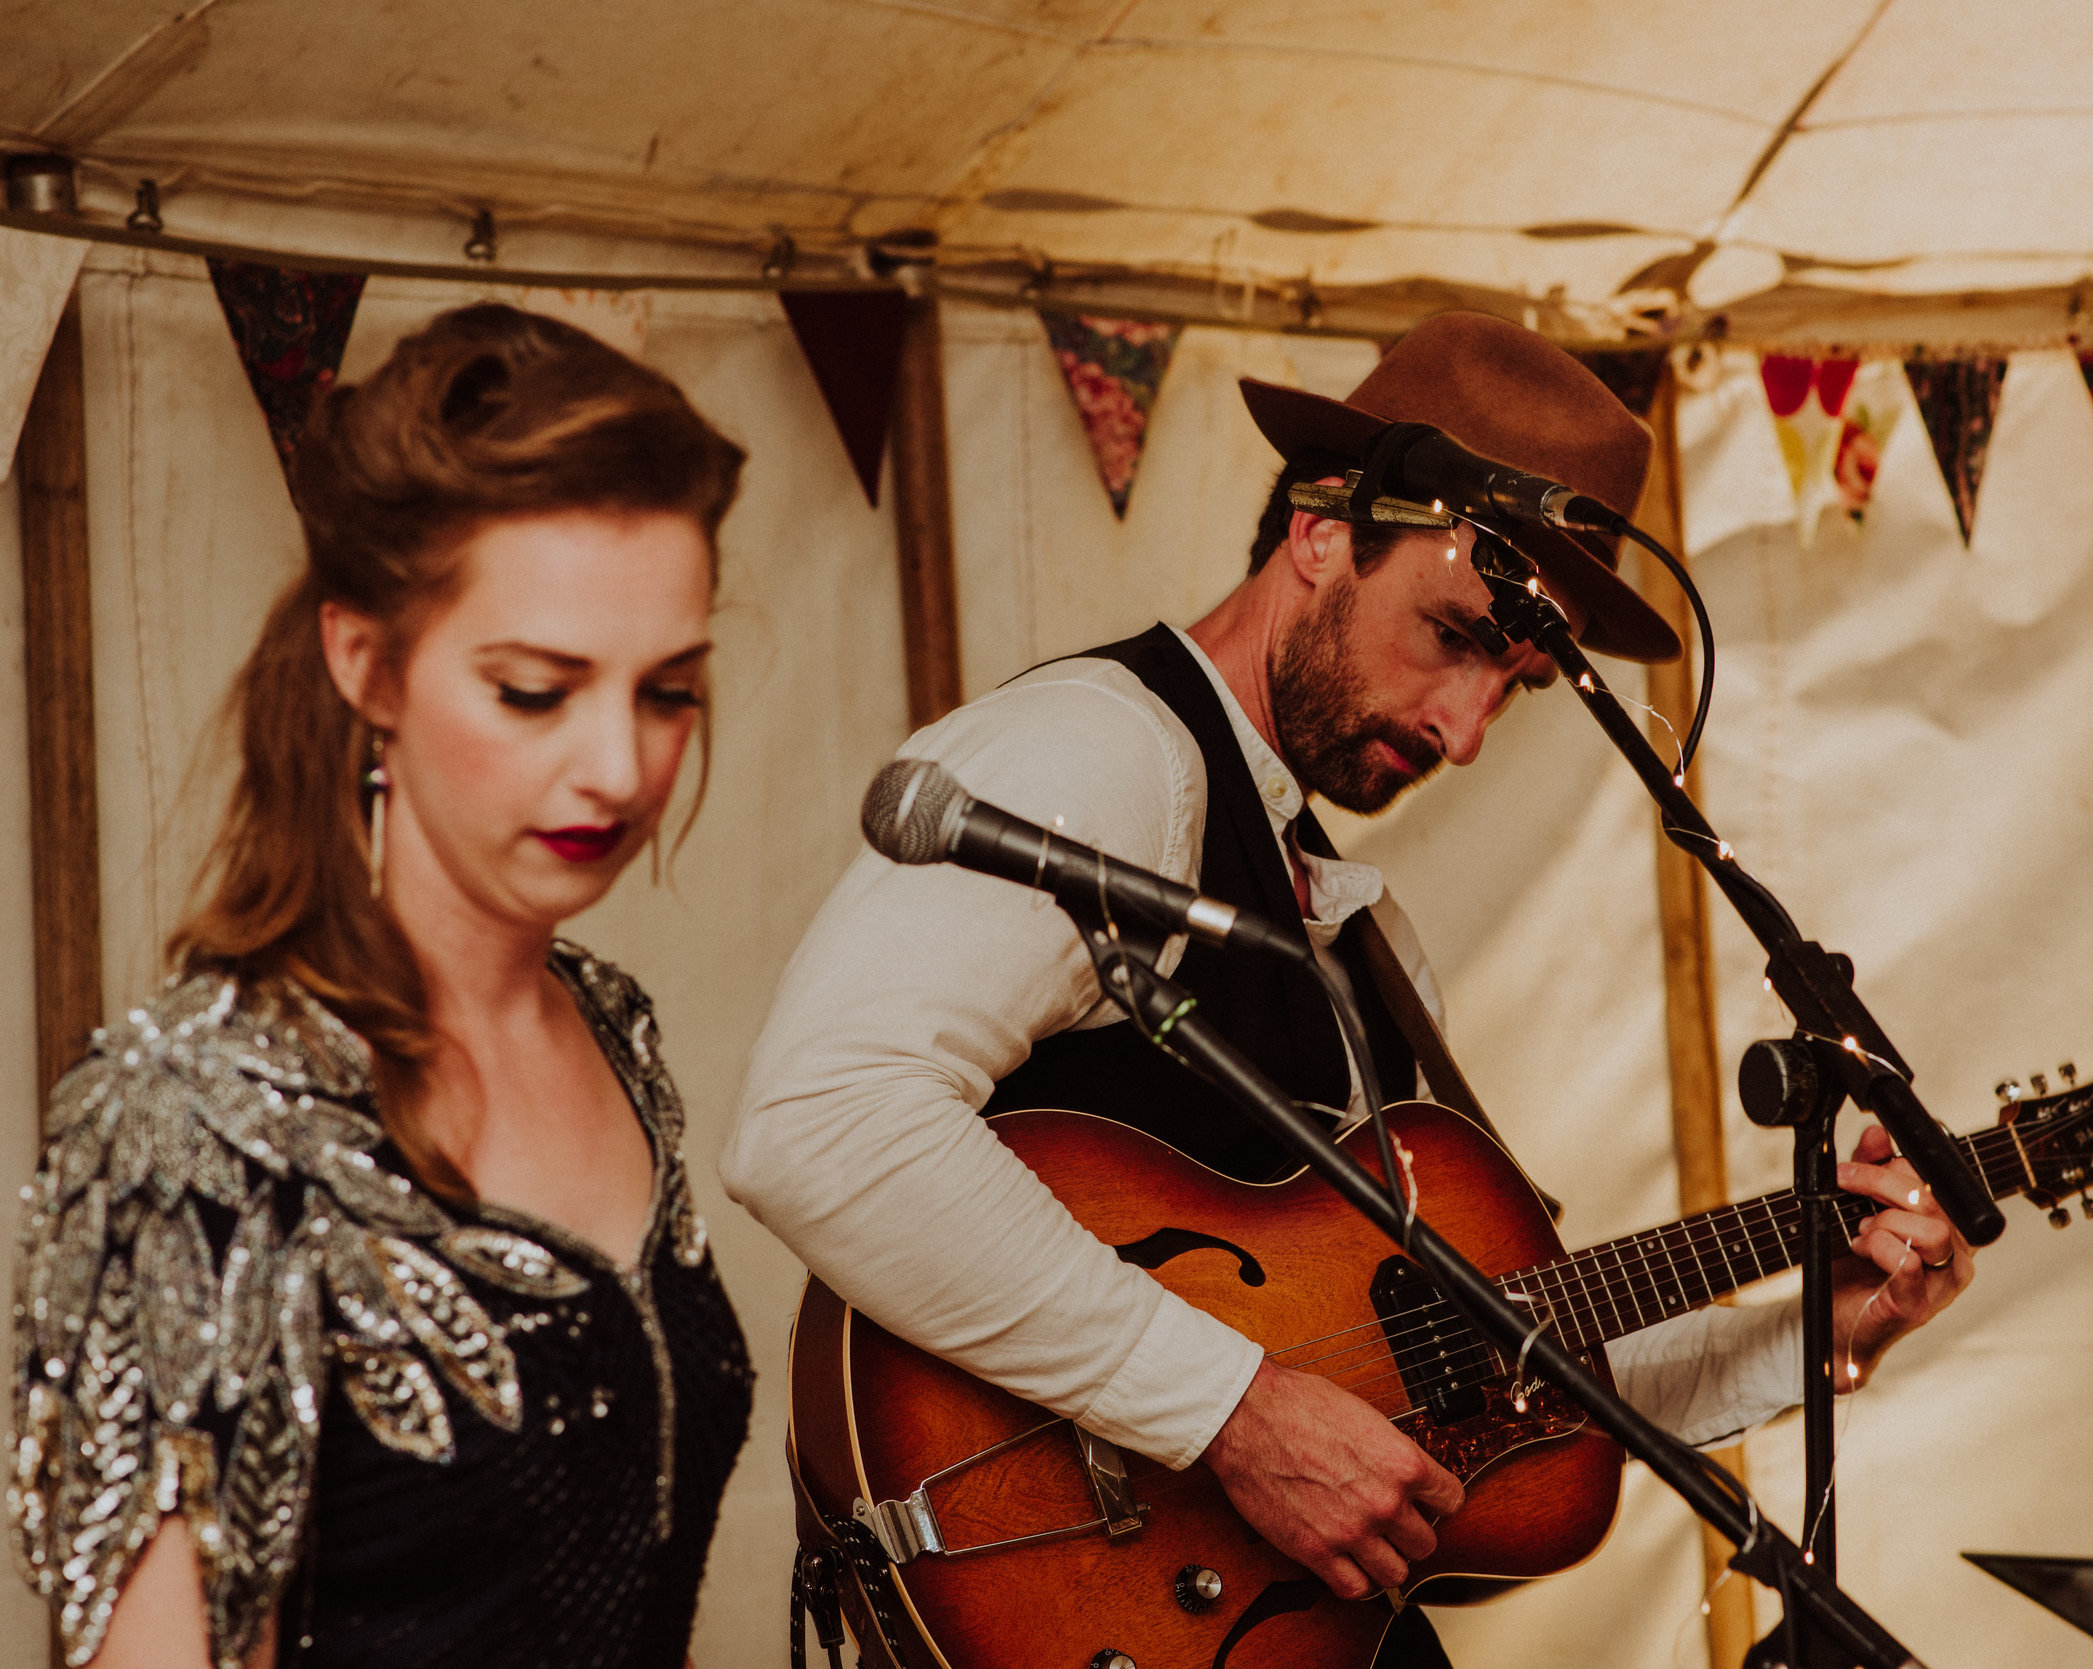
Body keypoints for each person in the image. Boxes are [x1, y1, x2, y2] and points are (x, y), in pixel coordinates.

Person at [725, 311, 1972, 1664]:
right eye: (1455, 634)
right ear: (1322, 529)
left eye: (1519, 681)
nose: (1465, 729)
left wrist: (1828, 1327)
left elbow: (1507, 1385)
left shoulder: (1350, 927)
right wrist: (1233, 1410)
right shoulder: (1108, 754)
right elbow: (822, 1120)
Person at [10, 304, 755, 1669]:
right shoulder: (190, 1116)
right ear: (367, 662)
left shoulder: (612, 1024)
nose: (616, 764)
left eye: (669, 692)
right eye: (536, 689)